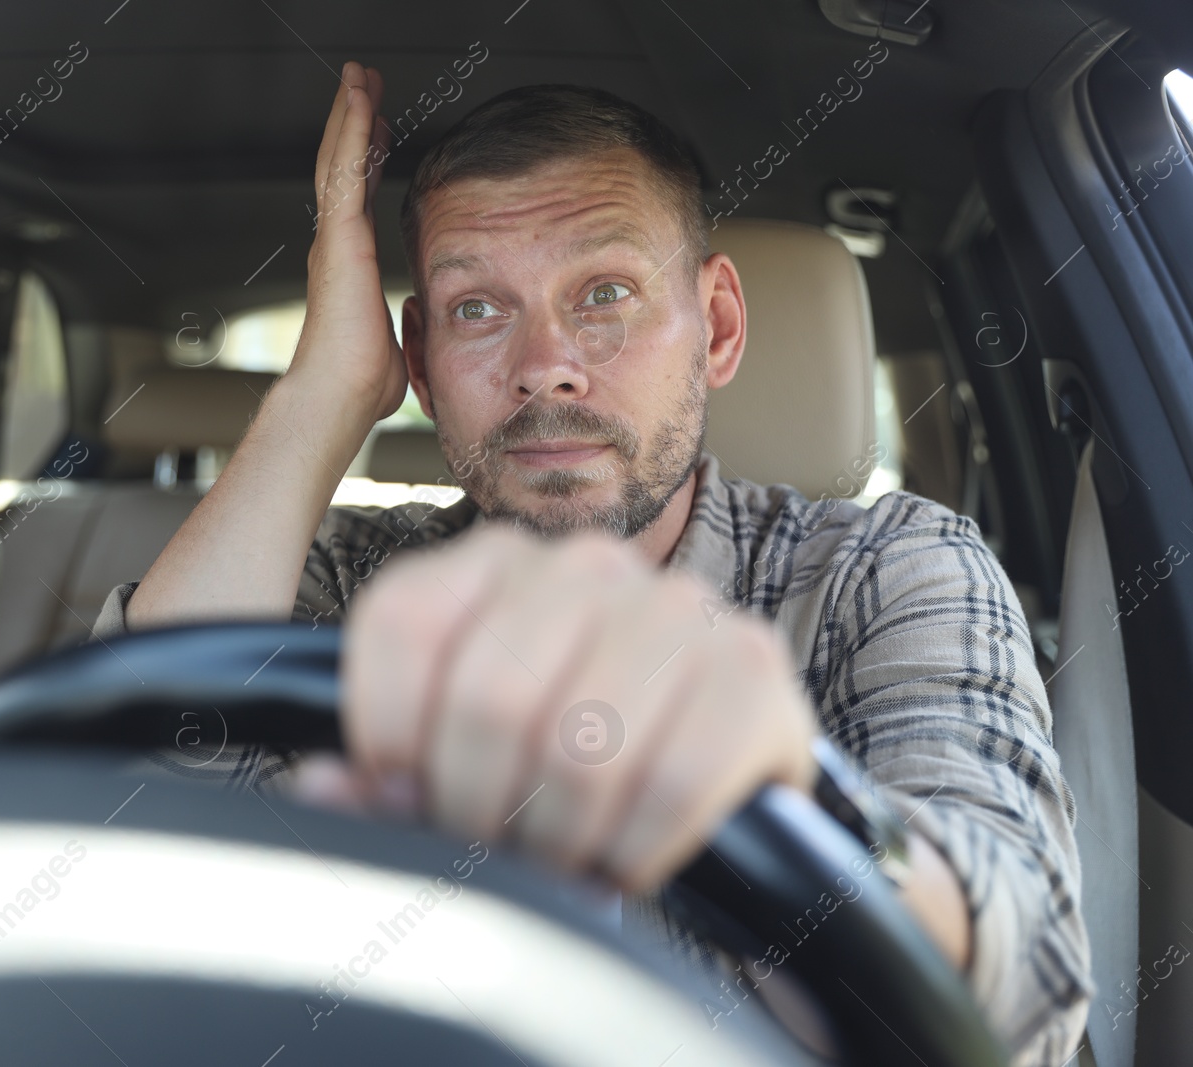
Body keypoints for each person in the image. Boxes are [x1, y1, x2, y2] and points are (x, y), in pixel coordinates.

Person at [93, 63, 1090, 1064]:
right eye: (477, 309)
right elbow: (109, 832)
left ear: (719, 328)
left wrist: (792, 804)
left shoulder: (885, 571)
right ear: (422, 361)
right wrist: (325, 388)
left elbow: (1018, 973)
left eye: (604, 293)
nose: (544, 363)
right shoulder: (345, 586)